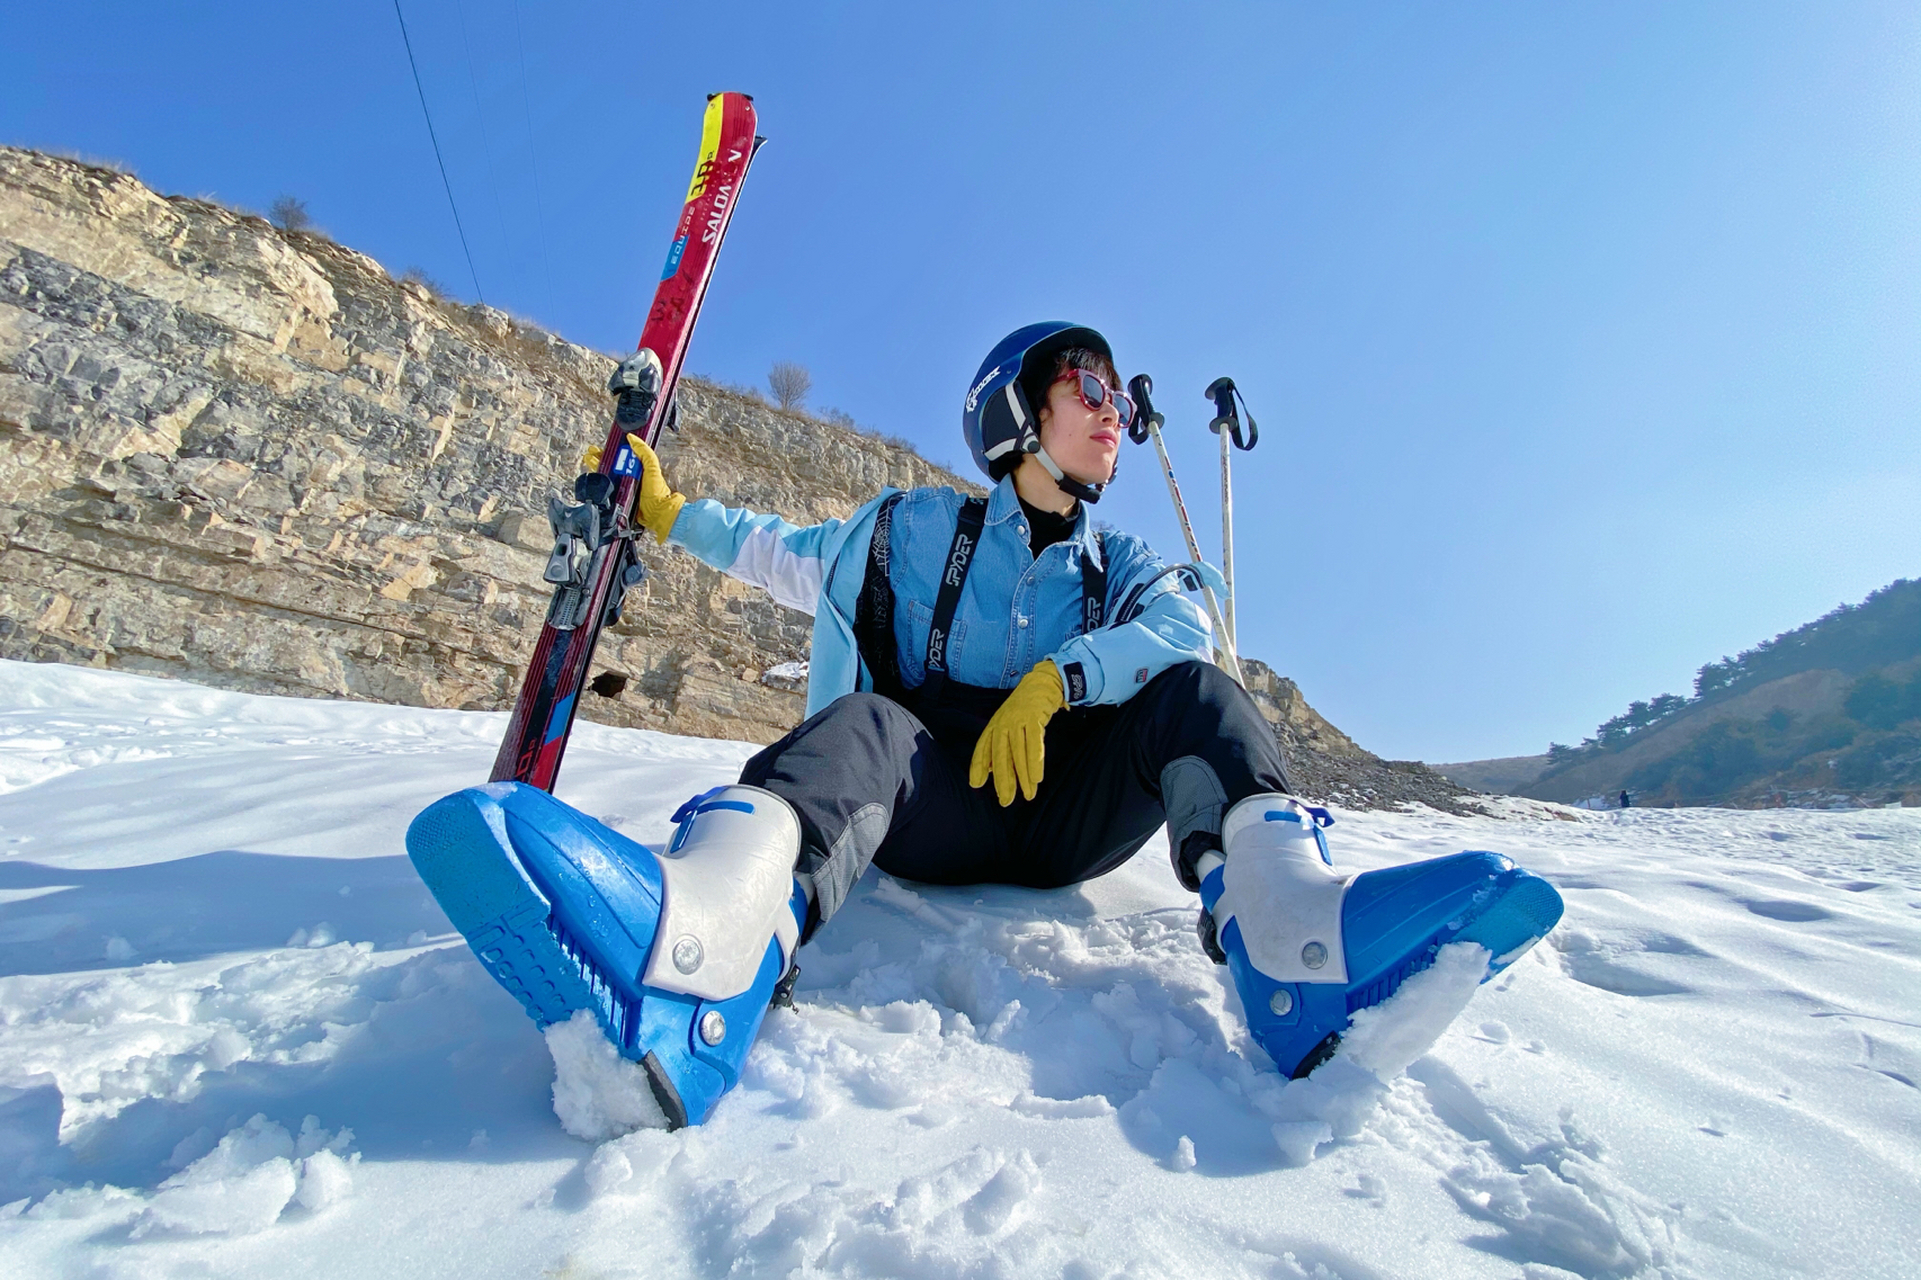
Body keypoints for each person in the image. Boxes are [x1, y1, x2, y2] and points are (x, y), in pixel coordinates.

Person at [408, 323, 1564, 1129]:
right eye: (1090, 390)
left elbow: (1186, 631)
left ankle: (1298, 950)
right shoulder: (912, 532)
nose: (1114, 412)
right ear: (1021, 412)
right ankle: (702, 951)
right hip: (928, 804)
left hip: (1068, 817)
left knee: (1201, 698)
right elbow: (781, 552)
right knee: (861, 719)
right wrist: (669, 513)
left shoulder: (1121, 563)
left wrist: (1061, 680)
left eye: (1116, 394)